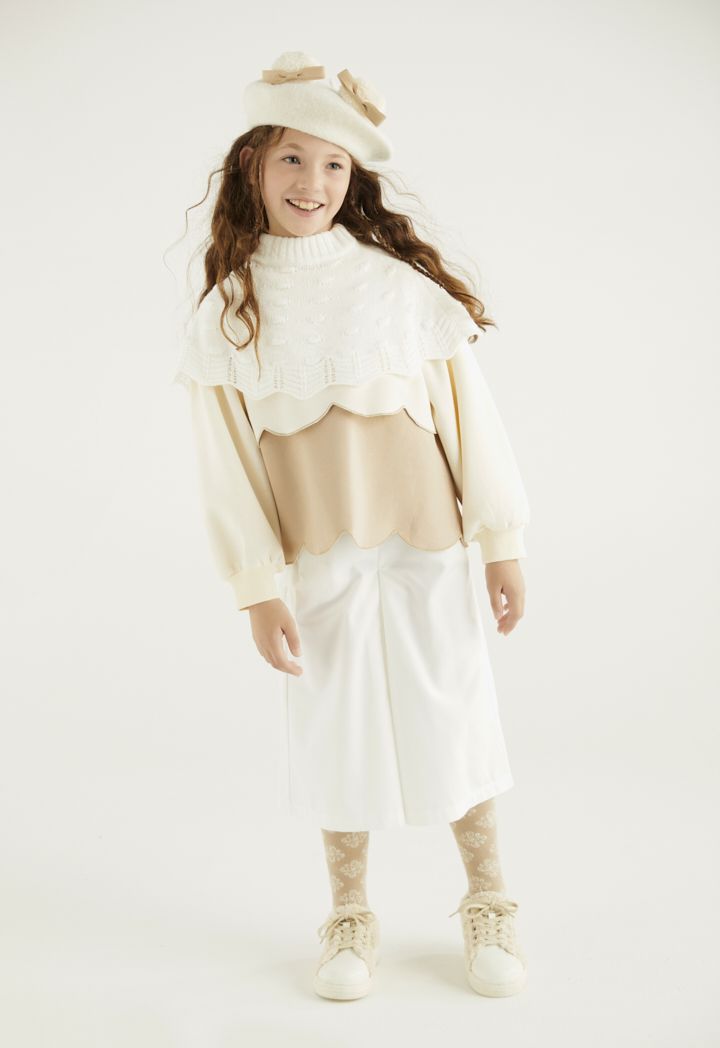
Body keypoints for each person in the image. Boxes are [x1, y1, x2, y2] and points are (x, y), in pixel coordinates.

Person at [173, 51, 531, 1002]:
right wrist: (256, 586)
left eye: (335, 164)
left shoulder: (396, 289)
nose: (314, 182)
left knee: (454, 710)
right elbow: (226, 467)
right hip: (319, 559)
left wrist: (501, 540)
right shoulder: (231, 313)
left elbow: (470, 420)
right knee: (336, 727)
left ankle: (489, 898)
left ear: (354, 177)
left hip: (426, 544)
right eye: (293, 158)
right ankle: (349, 915)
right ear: (252, 164)